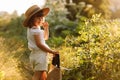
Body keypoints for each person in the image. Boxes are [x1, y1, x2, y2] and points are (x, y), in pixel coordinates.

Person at [23, 5, 59, 80]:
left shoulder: (33, 29)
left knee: (43, 75)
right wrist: (51, 51)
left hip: (36, 55)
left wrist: (46, 28)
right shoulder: (36, 31)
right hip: (40, 56)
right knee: (37, 75)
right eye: (37, 17)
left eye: (41, 17)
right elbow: (40, 44)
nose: (40, 19)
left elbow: (45, 38)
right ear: (31, 19)